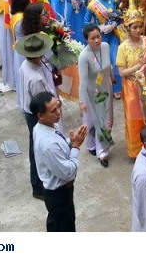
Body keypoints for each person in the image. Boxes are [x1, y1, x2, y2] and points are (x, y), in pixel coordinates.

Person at [30, 91, 87, 232]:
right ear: (40, 116)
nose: (58, 112)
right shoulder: (47, 144)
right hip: (59, 195)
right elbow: (68, 172)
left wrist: (70, 141)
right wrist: (75, 147)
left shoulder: (44, 126)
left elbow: (58, 145)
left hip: (58, 193)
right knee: (64, 227)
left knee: (57, 225)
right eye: (53, 110)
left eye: (58, 106)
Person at [115, 0, 146, 159]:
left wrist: (145, 66)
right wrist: (136, 67)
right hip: (131, 87)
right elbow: (121, 73)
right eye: (135, 27)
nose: (138, 30)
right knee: (134, 118)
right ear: (128, 27)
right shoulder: (123, 47)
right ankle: (136, 150)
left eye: (140, 26)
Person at [15, 32, 58, 200]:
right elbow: (44, 103)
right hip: (36, 115)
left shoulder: (25, 66)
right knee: (38, 150)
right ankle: (39, 186)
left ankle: (38, 184)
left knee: (35, 148)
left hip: (29, 110)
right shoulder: (36, 79)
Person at [78, 24, 115, 167]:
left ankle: (95, 146)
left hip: (106, 88)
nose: (97, 40)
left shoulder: (105, 46)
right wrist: (82, 101)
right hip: (92, 92)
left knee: (106, 119)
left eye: (98, 36)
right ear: (87, 40)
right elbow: (83, 81)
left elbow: (108, 65)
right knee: (96, 120)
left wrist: (111, 76)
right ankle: (101, 152)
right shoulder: (83, 56)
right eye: (93, 38)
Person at [84, 0, 123, 98]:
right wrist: (99, 27)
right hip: (99, 39)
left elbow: (121, 17)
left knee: (115, 61)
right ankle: (100, 88)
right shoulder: (92, 5)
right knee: (101, 65)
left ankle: (117, 87)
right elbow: (85, 22)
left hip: (113, 37)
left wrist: (113, 25)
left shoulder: (115, 0)